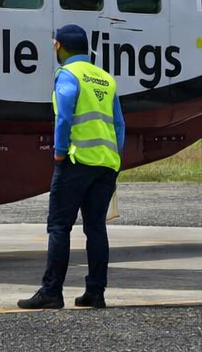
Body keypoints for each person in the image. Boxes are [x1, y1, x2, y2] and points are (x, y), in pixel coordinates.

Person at [17, 23, 124, 310]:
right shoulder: (106, 79)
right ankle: (96, 293)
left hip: (76, 162)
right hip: (106, 165)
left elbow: (64, 116)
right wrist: (115, 158)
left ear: (59, 46)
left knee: (59, 227)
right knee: (96, 228)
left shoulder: (67, 74)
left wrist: (59, 153)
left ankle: (52, 292)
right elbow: (119, 124)